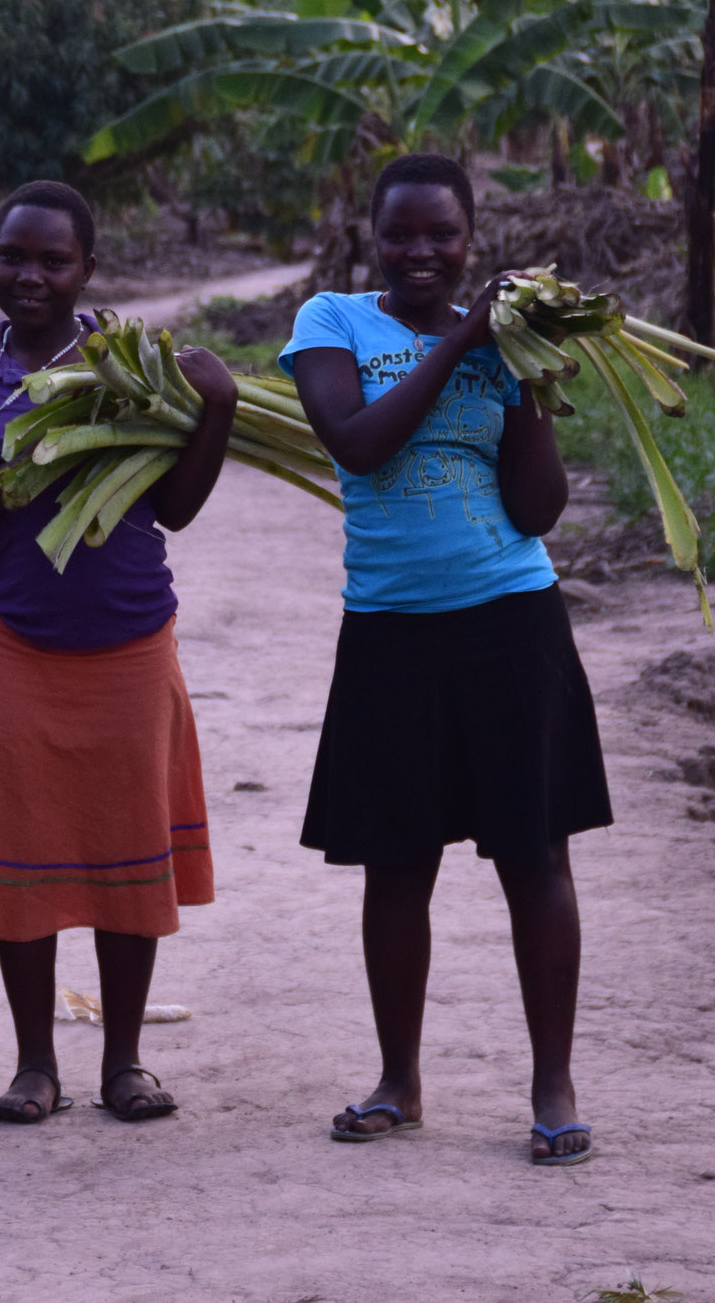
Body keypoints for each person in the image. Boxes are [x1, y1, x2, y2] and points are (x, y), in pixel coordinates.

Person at [282, 152, 612, 1167]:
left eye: (441, 235)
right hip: (388, 626)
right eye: (400, 234)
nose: (420, 252)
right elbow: (358, 444)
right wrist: (464, 337)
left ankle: (551, 1084)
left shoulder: (500, 347)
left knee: (534, 853)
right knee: (395, 860)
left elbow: (535, 510)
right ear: (368, 239)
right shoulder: (331, 324)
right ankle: (398, 1079)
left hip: (510, 616)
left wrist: (530, 388)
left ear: (471, 239)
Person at [0, 180, 237, 1124]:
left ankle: (125, 1062)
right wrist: (16, 476)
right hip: (13, 643)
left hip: (131, 644)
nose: (31, 276)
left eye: (54, 260)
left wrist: (211, 408)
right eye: (13, 256)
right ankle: (34, 1065)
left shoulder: (133, 368)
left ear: (88, 268)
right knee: (22, 849)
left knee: (126, 851)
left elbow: (174, 506)